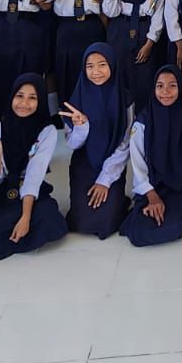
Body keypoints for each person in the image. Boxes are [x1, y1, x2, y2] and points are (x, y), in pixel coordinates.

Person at [0, 75, 68, 263]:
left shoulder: (47, 131)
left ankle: (13, 231)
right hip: (4, 189)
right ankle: (20, 236)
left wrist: (25, 217)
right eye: (19, 96)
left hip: (32, 192)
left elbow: (34, 174)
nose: (24, 103)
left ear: (41, 101)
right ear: (12, 97)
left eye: (32, 97)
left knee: (48, 215)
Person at [120, 66, 182, 247]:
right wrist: (152, 196)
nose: (165, 92)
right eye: (160, 86)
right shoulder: (143, 120)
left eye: (172, 86)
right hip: (151, 185)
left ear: (181, 87)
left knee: (175, 226)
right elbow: (138, 163)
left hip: (177, 186)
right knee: (140, 232)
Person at [62, 44, 132, 238]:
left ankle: (118, 198)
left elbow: (125, 142)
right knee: (81, 222)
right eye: (89, 66)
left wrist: (105, 179)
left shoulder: (125, 98)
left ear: (112, 65)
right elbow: (72, 144)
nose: (96, 72)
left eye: (102, 64)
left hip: (113, 162)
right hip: (84, 163)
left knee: (108, 221)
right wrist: (81, 127)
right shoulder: (75, 101)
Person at [34, 0, 106, 115]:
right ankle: (67, 113)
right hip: (66, 28)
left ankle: (92, 110)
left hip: (92, 27)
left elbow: (103, 10)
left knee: (91, 68)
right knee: (65, 70)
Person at [103, 0, 166, 106]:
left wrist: (150, 43)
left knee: (144, 81)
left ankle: (141, 120)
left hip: (145, 31)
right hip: (120, 31)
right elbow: (110, 11)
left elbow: (158, 12)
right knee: (119, 79)